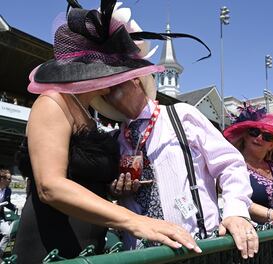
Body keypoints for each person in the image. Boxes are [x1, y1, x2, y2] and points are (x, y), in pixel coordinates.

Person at [13, 2, 202, 263]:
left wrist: (116, 189)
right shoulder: (53, 102)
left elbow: (86, 183)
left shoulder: (88, 115)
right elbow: (50, 186)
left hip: (89, 249)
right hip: (49, 249)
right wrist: (135, 222)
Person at [103, 76, 259, 258]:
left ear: (136, 80)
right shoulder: (116, 140)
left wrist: (236, 211)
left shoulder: (180, 116)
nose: (107, 90)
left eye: (113, 82)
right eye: (104, 87)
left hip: (199, 248)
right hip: (141, 255)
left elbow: (230, 163)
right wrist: (116, 191)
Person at [0, 168, 16, 259]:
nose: (10, 181)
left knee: (8, 233)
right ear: (2, 179)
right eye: (9, 179)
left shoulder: (8, 190)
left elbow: (8, 203)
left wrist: (14, 207)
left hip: (1, 217)